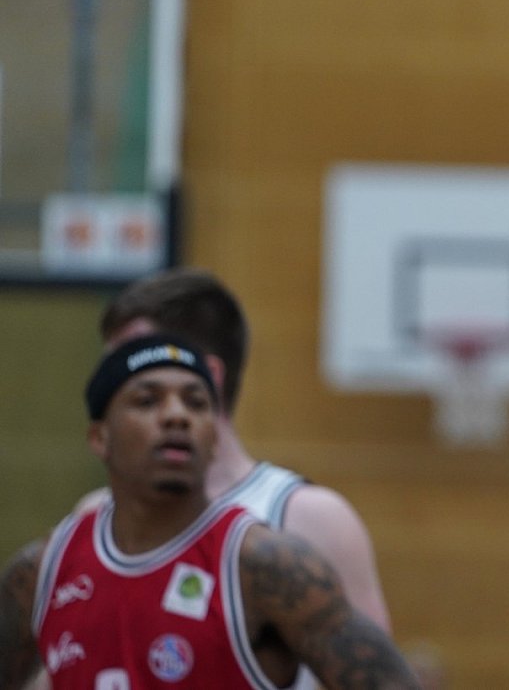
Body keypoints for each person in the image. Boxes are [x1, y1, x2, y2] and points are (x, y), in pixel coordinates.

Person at [0, 334, 420, 690]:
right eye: (147, 401)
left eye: (196, 403)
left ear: (214, 439)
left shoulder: (267, 566)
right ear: (100, 437)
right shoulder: (40, 573)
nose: (177, 416)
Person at [61, 269, 391, 690]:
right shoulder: (95, 517)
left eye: (132, 359)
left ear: (208, 376)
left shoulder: (309, 518)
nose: (112, 381)